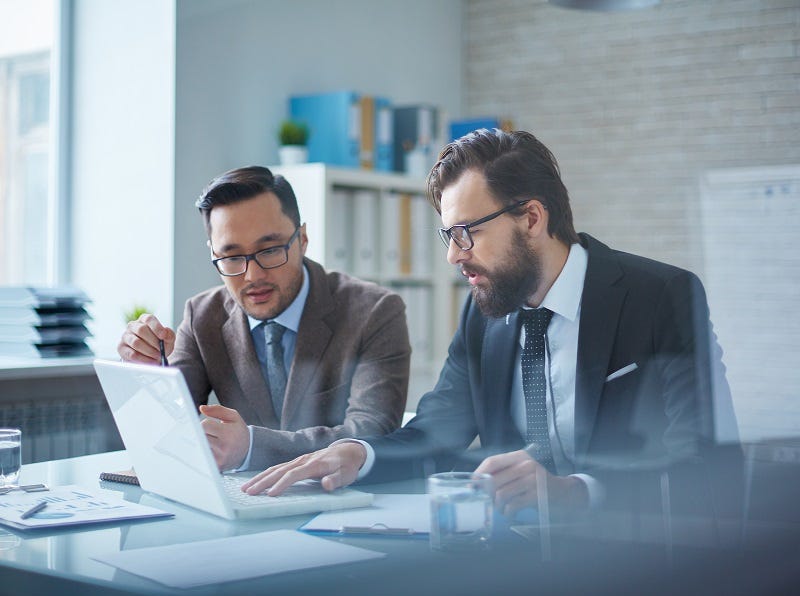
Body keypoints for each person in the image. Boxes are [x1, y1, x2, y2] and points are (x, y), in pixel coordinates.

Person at [241, 129, 742, 517]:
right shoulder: (485, 314)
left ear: (531, 218)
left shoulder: (659, 297)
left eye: (467, 234)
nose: (454, 257)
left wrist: (575, 493)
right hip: (510, 556)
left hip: (636, 559)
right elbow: (436, 431)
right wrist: (357, 454)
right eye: (448, 237)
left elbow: (706, 463)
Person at [117, 166, 411, 471]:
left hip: (339, 501)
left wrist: (253, 447)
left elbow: (372, 433)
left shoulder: (375, 311)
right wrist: (146, 373)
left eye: (270, 250)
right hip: (239, 501)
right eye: (231, 257)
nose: (252, 276)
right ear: (213, 253)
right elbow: (165, 433)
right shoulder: (202, 316)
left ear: (303, 239)